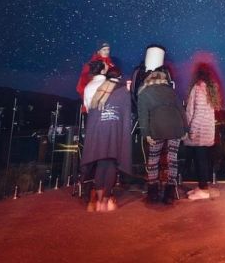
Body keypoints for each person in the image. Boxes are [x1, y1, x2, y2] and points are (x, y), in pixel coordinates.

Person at [80, 60, 133, 212]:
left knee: (101, 161)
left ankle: (98, 200)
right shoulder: (119, 88)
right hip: (113, 128)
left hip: (96, 129)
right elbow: (125, 109)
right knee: (110, 163)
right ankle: (106, 199)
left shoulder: (91, 88)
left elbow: (89, 108)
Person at [137, 66, 187, 205]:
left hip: (156, 128)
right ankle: (169, 193)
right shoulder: (171, 91)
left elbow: (143, 116)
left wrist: (146, 133)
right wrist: (186, 129)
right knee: (172, 160)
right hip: (175, 127)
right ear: (163, 79)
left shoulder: (144, 92)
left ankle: (153, 193)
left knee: (153, 160)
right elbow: (181, 111)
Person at [184, 63, 221, 200]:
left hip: (199, 132)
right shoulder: (209, 89)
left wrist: (192, 130)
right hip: (206, 131)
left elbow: (198, 112)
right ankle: (201, 187)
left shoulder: (198, 88)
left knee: (200, 161)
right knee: (203, 160)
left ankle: (203, 190)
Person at [76, 41, 118, 112]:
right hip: (94, 97)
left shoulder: (111, 64)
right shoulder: (91, 64)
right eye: (104, 49)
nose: (107, 52)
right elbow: (81, 85)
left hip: (109, 97)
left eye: (108, 49)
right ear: (98, 51)